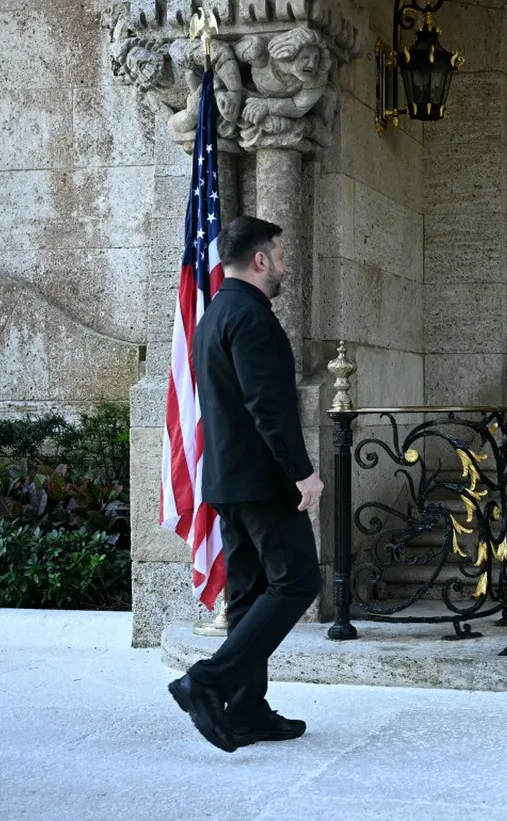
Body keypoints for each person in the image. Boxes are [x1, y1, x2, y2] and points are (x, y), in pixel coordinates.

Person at [168, 216, 325, 752]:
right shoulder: (251, 317)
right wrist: (302, 473)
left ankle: (247, 708)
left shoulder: (214, 314)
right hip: (260, 482)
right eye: (278, 255)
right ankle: (208, 680)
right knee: (298, 582)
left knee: (250, 593)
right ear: (260, 260)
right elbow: (268, 408)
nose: (283, 265)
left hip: (228, 481)